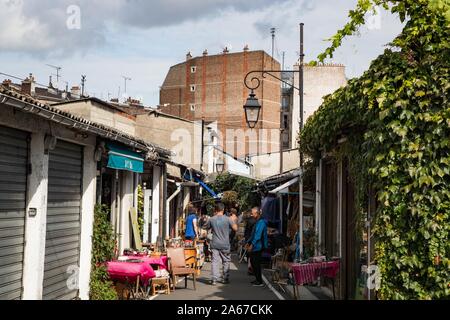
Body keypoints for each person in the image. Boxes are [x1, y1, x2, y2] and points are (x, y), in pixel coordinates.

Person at [204, 202, 238, 285]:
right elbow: (235, 228)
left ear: (215, 210)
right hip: (225, 244)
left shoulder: (212, 219)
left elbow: (205, 227)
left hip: (215, 243)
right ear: (223, 209)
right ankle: (225, 278)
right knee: (226, 261)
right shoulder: (228, 219)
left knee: (215, 261)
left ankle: (214, 279)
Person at [246, 207, 268, 287]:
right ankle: (257, 279)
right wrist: (248, 242)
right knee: (252, 261)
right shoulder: (257, 221)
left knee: (256, 263)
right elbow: (253, 234)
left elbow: (258, 235)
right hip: (256, 245)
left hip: (259, 246)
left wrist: (252, 244)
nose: (251, 214)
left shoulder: (261, 222)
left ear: (257, 213)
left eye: (253, 213)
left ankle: (259, 281)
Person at [244, 209, 257, 274]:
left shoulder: (248, 220)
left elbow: (246, 230)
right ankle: (251, 267)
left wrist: (246, 238)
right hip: (253, 239)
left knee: (249, 254)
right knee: (253, 254)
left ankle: (249, 267)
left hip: (248, 238)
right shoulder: (256, 221)